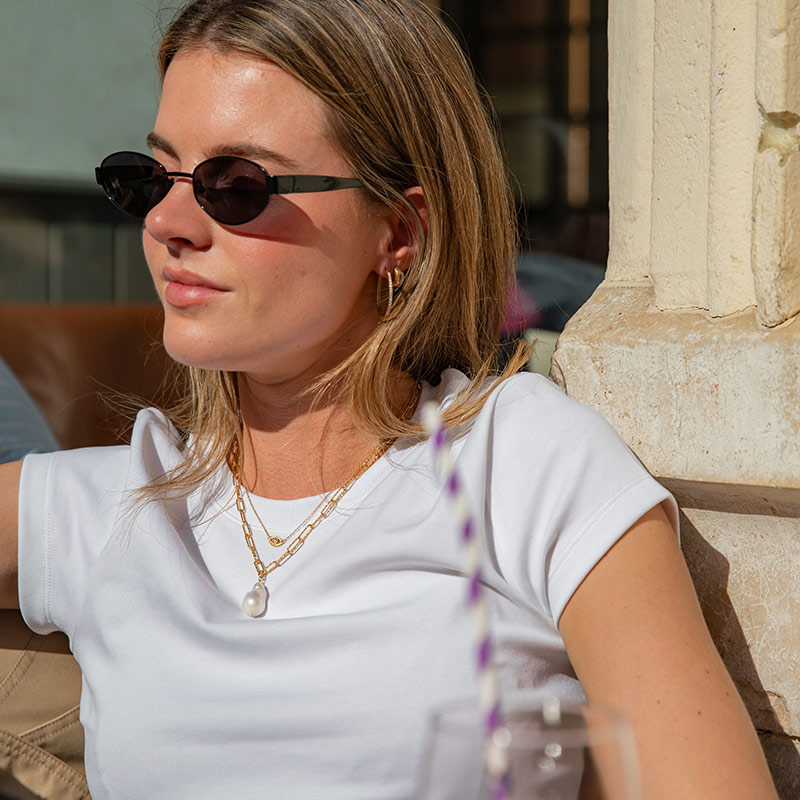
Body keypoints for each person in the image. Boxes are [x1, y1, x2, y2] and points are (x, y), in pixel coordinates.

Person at [0, 1, 777, 798]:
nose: (167, 221)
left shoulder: (519, 465)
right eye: (148, 178)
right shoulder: (110, 506)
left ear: (398, 231)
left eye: (234, 186)